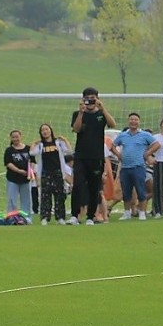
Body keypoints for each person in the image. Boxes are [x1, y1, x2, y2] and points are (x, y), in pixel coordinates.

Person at [70, 87, 115, 225]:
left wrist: (103, 108)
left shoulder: (101, 114)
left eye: (93, 98)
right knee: (77, 184)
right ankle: (75, 215)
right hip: (80, 156)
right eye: (87, 98)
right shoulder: (78, 113)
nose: (90, 100)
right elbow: (76, 129)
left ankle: (91, 217)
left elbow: (112, 124)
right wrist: (81, 113)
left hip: (96, 156)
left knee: (94, 186)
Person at [110, 114, 156, 221]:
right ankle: (127, 213)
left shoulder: (144, 135)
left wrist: (147, 153)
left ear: (139, 122)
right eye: (131, 119)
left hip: (138, 167)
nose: (133, 121)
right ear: (128, 121)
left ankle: (142, 213)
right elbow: (112, 146)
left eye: (136, 120)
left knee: (141, 190)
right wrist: (118, 155)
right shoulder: (123, 135)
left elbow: (156, 144)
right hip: (125, 167)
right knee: (126, 191)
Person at [31, 124, 73, 225]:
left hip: (58, 172)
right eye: (42, 130)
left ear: (50, 130)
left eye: (46, 129)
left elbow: (69, 151)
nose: (45, 131)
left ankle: (60, 218)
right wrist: (34, 143)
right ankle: (45, 217)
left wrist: (65, 140)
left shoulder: (58, 143)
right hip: (46, 172)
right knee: (45, 196)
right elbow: (32, 153)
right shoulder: (41, 145)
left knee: (59, 195)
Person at [3, 129, 32, 214]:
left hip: (26, 179)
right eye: (13, 137)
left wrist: (30, 171)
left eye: (17, 137)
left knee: (26, 200)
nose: (15, 139)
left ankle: (26, 218)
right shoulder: (9, 150)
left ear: (20, 137)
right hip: (12, 179)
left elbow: (33, 161)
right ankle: (12, 217)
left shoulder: (28, 148)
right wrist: (18, 170)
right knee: (12, 199)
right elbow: (8, 163)